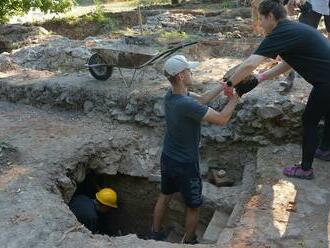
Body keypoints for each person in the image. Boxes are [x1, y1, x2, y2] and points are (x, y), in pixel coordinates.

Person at [223, 0, 330, 179]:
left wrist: (229, 84)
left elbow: (250, 63)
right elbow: (289, 63)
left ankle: (305, 169)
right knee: (327, 112)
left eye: (261, 19)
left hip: (326, 82)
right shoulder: (292, 29)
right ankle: (325, 150)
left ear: (271, 16)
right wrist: (260, 78)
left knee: (309, 121)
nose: (260, 24)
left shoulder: (279, 33)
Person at [151, 55, 240, 244]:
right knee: (193, 205)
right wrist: (235, 98)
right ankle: (189, 241)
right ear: (181, 76)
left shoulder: (172, 94)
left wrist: (223, 84)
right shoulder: (186, 104)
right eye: (189, 71)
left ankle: (155, 234)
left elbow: (204, 98)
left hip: (168, 158)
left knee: (165, 196)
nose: (192, 73)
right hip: (185, 164)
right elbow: (222, 119)